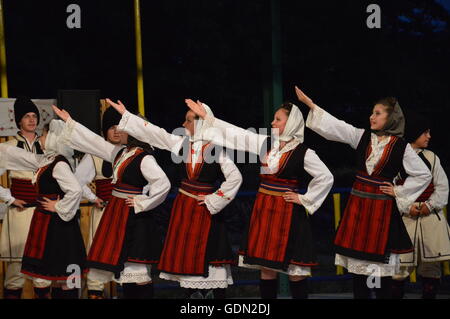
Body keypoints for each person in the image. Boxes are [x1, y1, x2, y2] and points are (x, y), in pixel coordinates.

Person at [184, 98, 334, 299]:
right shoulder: (267, 144)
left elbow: (325, 176)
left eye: (278, 120)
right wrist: (207, 117)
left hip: (288, 214)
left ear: (290, 124)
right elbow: (238, 135)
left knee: (295, 270)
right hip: (265, 211)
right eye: (274, 119)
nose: (272, 123)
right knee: (266, 268)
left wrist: (305, 199)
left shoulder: (303, 152)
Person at [295, 86, 432, 299]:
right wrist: (311, 105)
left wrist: (398, 191)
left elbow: (423, 175)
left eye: (378, 113)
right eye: (372, 112)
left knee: (379, 272)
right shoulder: (362, 137)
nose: (372, 116)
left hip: (381, 212)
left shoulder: (400, 147)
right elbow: (337, 127)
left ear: (391, 118)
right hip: (359, 209)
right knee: (360, 270)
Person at [107, 99, 242, 299]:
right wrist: (128, 117)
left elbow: (235, 177)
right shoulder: (182, 145)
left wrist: (215, 198)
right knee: (187, 269)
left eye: (189, 120)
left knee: (211, 265)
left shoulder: (216, 150)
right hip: (185, 212)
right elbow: (156, 133)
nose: (184, 125)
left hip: (207, 214)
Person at [52, 105, 170, 299]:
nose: (118, 130)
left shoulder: (143, 156)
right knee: (125, 274)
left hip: (133, 220)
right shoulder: (121, 153)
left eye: (122, 126)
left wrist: (143, 202)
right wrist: (71, 124)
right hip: (117, 216)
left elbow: (163, 183)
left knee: (137, 273)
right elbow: (95, 142)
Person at [0, 120, 86, 299]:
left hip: (57, 223)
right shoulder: (48, 160)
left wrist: (59, 206)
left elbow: (76, 189)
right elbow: (20, 156)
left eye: (45, 134)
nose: (42, 137)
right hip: (47, 221)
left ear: (55, 138)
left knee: (65, 275)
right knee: (52, 272)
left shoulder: (58, 163)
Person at [391, 112, 450, 299]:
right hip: (405, 219)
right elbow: (391, 188)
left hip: (429, 219)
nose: (429, 136)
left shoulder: (432, 157)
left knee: (431, 268)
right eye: (425, 132)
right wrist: (407, 207)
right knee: (398, 267)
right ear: (415, 133)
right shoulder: (396, 157)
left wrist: (430, 205)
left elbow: (442, 186)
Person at [74, 107, 122, 299]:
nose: (117, 130)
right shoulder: (94, 154)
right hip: (103, 215)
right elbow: (76, 181)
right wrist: (94, 198)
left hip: (127, 215)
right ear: (105, 131)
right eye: (111, 127)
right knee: (98, 265)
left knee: (129, 266)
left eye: (119, 126)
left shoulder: (134, 152)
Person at [0, 97, 44, 299]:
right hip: (20, 212)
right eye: (27, 116)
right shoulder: (8, 147)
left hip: (43, 212)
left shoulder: (47, 145)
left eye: (34, 116)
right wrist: (9, 199)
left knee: (43, 271)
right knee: (16, 271)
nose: (32, 120)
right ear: (19, 120)